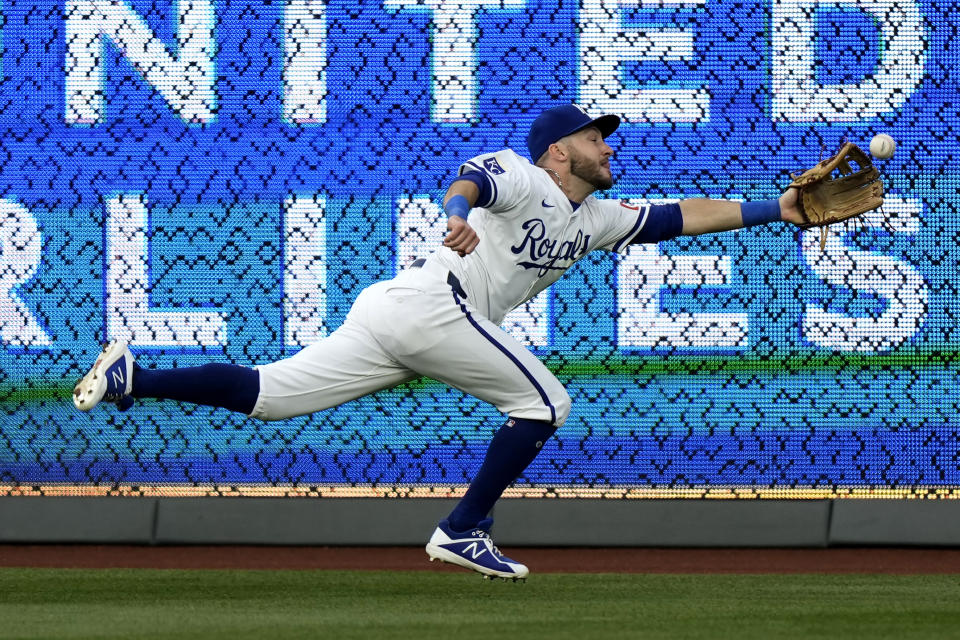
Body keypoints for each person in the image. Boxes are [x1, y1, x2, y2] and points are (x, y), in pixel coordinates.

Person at [74, 103, 806, 580]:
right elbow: (470, 183)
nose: (606, 144)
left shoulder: (597, 218)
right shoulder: (524, 176)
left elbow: (683, 216)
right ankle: (463, 528)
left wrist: (779, 208)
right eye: (594, 136)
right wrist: (456, 213)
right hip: (429, 304)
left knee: (267, 396)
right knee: (546, 403)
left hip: (402, 319)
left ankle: (135, 378)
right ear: (558, 151)